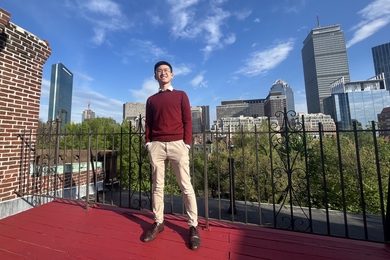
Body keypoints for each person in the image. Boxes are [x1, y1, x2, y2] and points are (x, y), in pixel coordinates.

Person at [143, 61, 201, 250]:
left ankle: (193, 226)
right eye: (159, 71)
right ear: (155, 76)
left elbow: (187, 120)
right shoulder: (151, 100)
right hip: (157, 146)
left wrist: (186, 144)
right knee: (158, 186)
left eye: (166, 70)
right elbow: (149, 123)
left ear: (172, 75)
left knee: (186, 185)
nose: (163, 73)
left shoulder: (181, 95)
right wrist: (148, 143)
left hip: (178, 145)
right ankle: (158, 222)